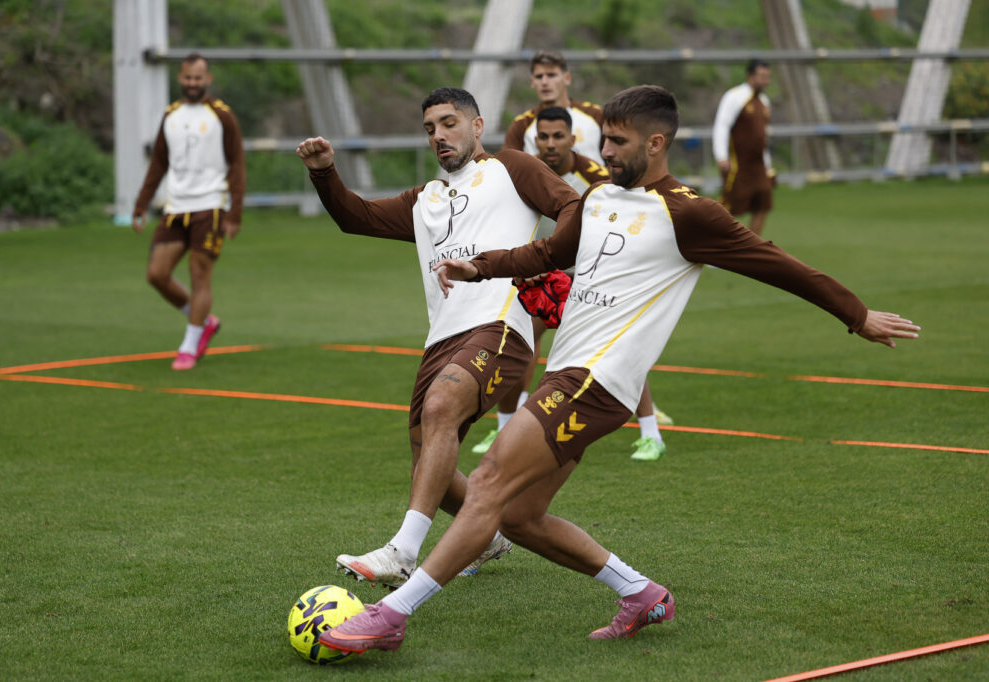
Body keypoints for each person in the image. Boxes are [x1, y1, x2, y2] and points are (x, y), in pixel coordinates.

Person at [316, 84, 919, 653]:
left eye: (618, 142)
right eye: (603, 139)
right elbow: (547, 253)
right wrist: (482, 266)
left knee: (493, 477)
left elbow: (777, 264)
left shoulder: (689, 214)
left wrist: (856, 313)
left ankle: (392, 614)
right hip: (566, 374)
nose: (603, 152)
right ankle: (642, 593)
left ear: (656, 143)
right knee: (521, 518)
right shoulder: (600, 197)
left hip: (600, 382)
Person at [295, 87, 581, 589]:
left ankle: (403, 552)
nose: (439, 136)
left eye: (449, 124)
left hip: (500, 327)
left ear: (477, 126)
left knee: (442, 405)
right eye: (430, 129)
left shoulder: (511, 168)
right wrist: (324, 172)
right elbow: (353, 217)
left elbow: (572, 206)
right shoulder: (425, 198)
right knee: (428, 458)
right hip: (442, 339)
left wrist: (542, 258)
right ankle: (488, 534)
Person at [476, 105, 672, 462]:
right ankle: (503, 429)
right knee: (517, 342)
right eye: (544, 137)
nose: (550, 143)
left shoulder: (597, 177)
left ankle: (650, 432)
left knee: (612, 350)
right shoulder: (520, 173)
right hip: (540, 271)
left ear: (573, 139)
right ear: (535, 140)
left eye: (558, 136)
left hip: (589, 276)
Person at [133, 53, 245, 371]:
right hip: (175, 207)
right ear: (180, 78)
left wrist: (235, 213)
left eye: (198, 78)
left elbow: (237, 163)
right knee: (156, 274)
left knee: (200, 277)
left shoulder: (222, 116)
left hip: (210, 206)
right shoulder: (171, 115)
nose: (192, 83)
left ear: (208, 79)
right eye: (187, 78)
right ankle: (202, 322)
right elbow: (158, 162)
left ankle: (189, 345)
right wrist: (141, 203)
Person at [502, 50, 604, 164]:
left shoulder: (595, 115)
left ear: (567, 78)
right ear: (532, 82)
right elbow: (509, 169)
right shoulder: (521, 125)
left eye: (551, 75)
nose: (545, 82)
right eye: (539, 77)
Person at [713, 58, 775, 236]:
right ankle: (717, 247)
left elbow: (763, 137)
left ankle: (752, 247)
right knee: (728, 208)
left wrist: (768, 165)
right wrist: (721, 155)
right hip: (738, 163)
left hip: (758, 166)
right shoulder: (735, 96)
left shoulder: (764, 102)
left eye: (767, 76)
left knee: (763, 204)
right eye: (762, 76)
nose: (766, 81)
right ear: (751, 76)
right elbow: (722, 125)